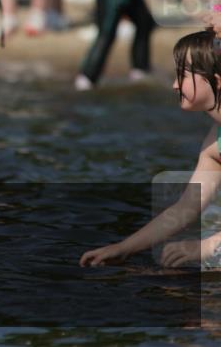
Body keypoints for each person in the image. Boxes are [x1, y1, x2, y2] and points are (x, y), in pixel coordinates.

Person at [80, 26, 221, 268]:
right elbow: (186, 208)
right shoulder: (214, 142)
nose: (175, 86)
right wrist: (123, 248)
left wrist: (206, 247)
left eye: (183, 75)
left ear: (216, 82)